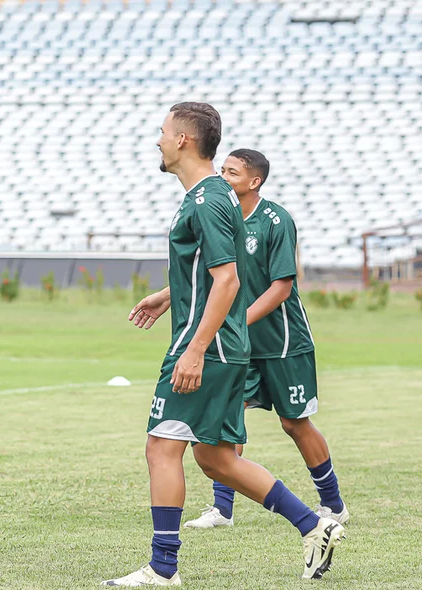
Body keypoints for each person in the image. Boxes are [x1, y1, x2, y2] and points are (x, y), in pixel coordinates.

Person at [102, 104, 345, 587]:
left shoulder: (207, 200)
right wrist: (169, 296)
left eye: (164, 132)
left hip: (207, 348)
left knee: (161, 448)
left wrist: (194, 348)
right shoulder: (211, 196)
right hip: (223, 346)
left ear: (185, 141)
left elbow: (228, 280)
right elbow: (214, 269)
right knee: (215, 459)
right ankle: (315, 524)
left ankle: (163, 568)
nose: (158, 141)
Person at [184, 149, 348, 530]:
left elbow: (281, 288)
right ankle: (222, 509)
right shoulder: (222, 219)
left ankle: (333, 504)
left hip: (284, 343)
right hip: (241, 345)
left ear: (254, 181)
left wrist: (235, 320)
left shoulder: (276, 220)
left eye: (232, 172)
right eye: (221, 170)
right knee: (228, 414)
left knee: (295, 424)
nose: (223, 177)